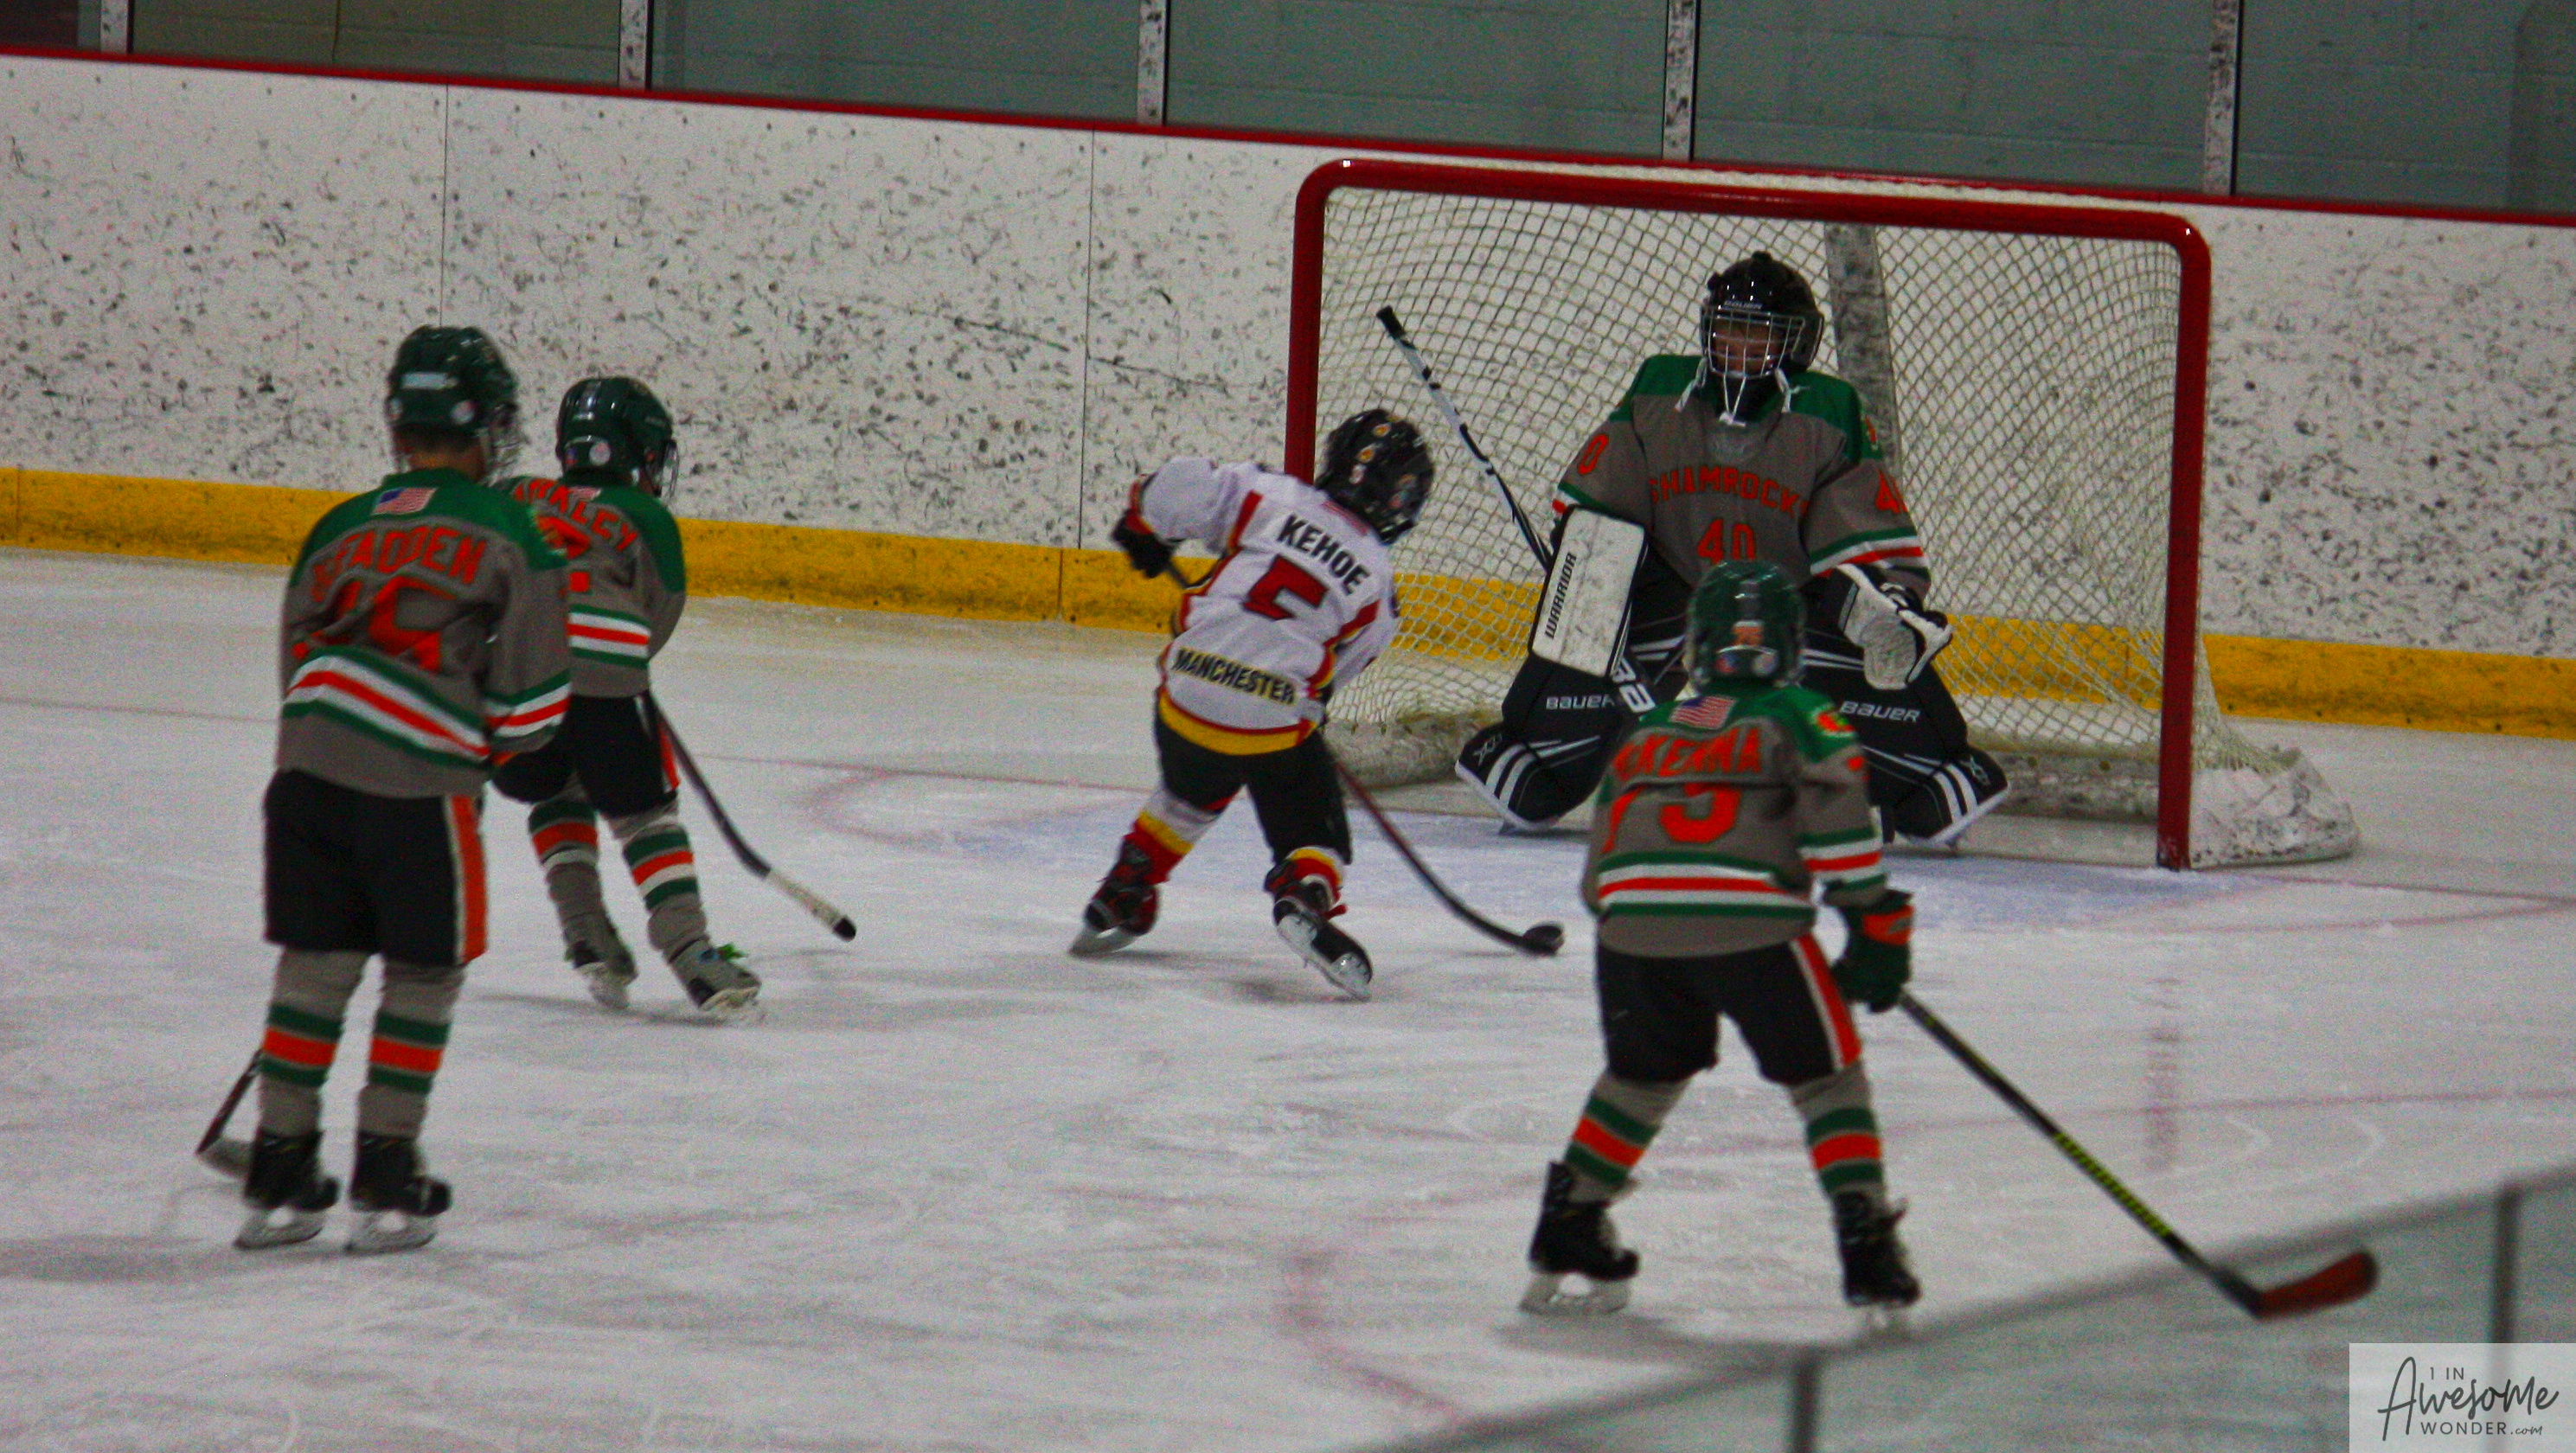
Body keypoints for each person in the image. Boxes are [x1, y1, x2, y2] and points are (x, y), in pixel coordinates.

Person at [1457, 251, 2008, 845]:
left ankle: (1923, 773)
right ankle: (1537, 754)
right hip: (1673, 588)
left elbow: (1864, 539)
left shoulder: (1826, 412)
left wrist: (1887, 606)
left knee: (1874, 644)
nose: (1739, 346)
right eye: (1729, 328)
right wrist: (1590, 581)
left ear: (1796, 343)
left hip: (1787, 601)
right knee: (1586, 615)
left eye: (1758, 332)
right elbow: (1595, 516)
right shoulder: (1659, 390)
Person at [237, 325, 572, 1253]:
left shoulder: (336, 527)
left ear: (397, 424)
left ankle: (279, 1172)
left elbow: (297, 666)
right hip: (419, 791)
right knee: (423, 970)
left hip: (306, 775)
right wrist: (493, 746)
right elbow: (532, 702)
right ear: (488, 425)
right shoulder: (512, 530)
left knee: (315, 962)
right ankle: (387, 1172)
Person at [1520, 560, 1920, 1316]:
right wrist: (1874, 922)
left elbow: (1600, 871)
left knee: (1642, 1079)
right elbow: (1840, 826)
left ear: (1698, 646)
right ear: (1790, 644)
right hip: (1753, 929)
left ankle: (1569, 1221)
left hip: (1631, 931)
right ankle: (1866, 1237)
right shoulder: (1800, 711)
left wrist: (1645, 912)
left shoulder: (1655, 725)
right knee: (1827, 1081)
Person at [1069, 410, 1432, 1001]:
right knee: (1314, 824)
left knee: (1193, 787)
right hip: (1271, 711)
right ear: (1404, 502)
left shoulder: (1271, 493)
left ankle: (1127, 886)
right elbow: (1331, 680)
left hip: (1184, 686)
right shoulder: (1380, 586)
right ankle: (1303, 893)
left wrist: (1143, 523)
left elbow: (1180, 487)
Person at [494, 378, 760, 1021]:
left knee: (555, 787)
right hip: (605, 682)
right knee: (646, 815)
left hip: (512, 690)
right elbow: (657, 614)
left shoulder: (515, 494)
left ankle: (584, 931)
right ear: (636, 453)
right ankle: (692, 952)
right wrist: (614, 675)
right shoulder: (647, 517)